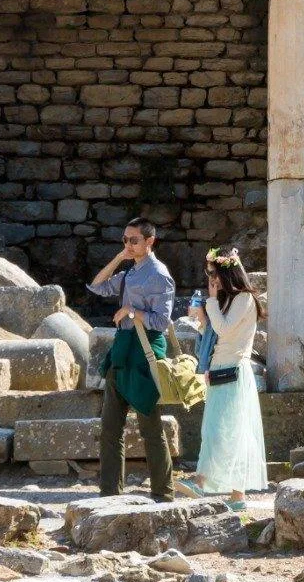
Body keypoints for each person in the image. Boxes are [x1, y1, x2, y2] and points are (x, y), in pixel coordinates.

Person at [87, 216, 176, 500]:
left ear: (150, 241)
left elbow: (162, 321)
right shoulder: (129, 272)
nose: (129, 244)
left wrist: (131, 312)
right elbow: (97, 286)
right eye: (125, 240)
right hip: (122, 350)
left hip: (146, 351)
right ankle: (110, 493)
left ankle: (164, 494)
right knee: (110, 428)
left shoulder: (159, 274)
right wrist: (118, 258)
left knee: (151, 428)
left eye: (134, 240)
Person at [190, 247, 267, 503]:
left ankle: (201, 482)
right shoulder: (230, 299)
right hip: (221, 369)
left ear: (227, 272)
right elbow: (217, 335)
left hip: (233, 371)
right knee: (219, 429)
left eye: (214, 272)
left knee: (226, 430)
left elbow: (224, 329)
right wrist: (202, 318)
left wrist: (211, 302)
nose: (211, 278)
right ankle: (237, 496)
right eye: (208, 272)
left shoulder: (244, 299)